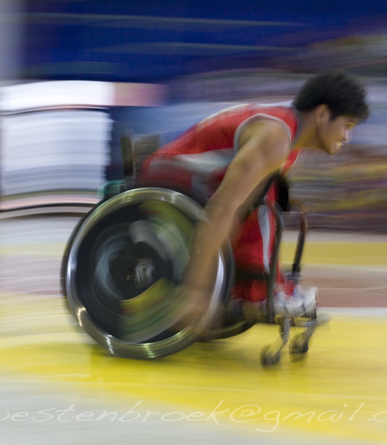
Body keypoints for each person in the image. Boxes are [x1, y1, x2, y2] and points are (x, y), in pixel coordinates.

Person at [138, 71, 369, 323]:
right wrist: (196, 289)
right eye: (347, 126)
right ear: (322, 114)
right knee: (261, 201)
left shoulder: (286, 137)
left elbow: (236, 210)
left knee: (262, 196)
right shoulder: (275, 136)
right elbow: (224, 206)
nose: (347, 138)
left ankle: (254, 286)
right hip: (169, 174)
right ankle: (256, 290)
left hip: (184, 175)